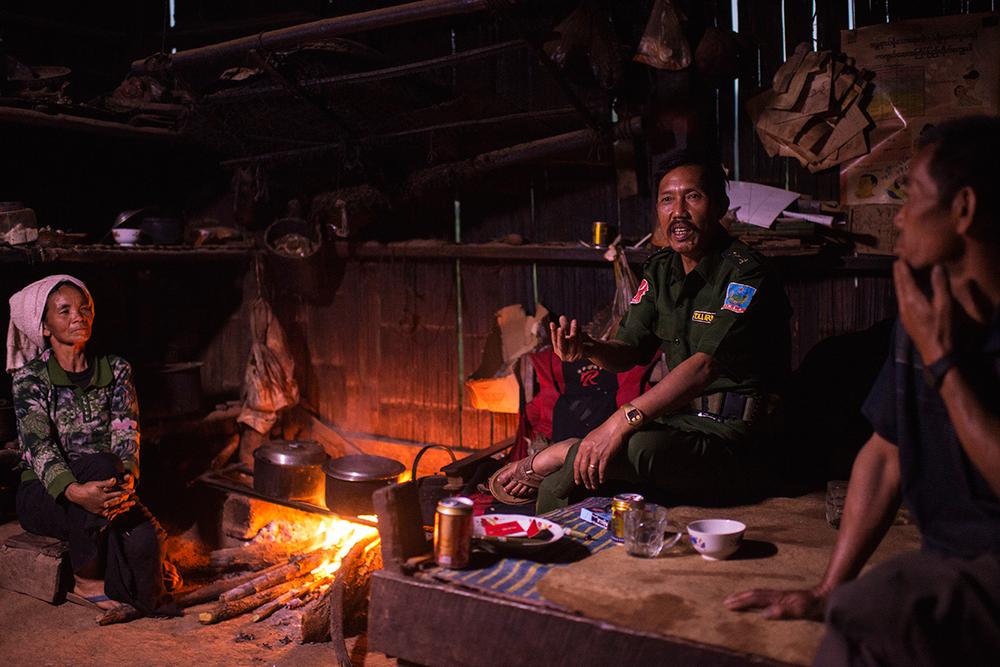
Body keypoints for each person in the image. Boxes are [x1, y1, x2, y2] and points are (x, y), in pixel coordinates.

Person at [725, 115, 1000, 666]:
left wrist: (943, 362)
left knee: (884, 602)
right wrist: (829, 589)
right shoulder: (922, 313)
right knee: (851, 625)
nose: (897, 217)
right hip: (946, 562)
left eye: (911, 196)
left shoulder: (939, 336)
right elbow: (885, 454)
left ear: (964, 209)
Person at [492, 147, 791, 513]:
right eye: (667, 200)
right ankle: (567, 458)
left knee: (599, 462)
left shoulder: (746, 273)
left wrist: (619, 422)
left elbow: (704, 366)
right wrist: (588, 348)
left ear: (720, 205)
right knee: (607, 453)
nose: (678, 212)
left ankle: (558, 468)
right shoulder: (662, 270)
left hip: (736, 440)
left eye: (692, 197)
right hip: (679, 423)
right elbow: (628, 351)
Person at [7, 274, 175, 620]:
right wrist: (74, 491)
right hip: (46, 496)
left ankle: (133, 580)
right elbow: (39, 446)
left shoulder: (116, 369)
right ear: (45, 327)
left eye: (84, 309)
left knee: (146, 554)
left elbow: (127, 433)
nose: (78, 317)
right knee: (101, 464)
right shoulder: (30, 378)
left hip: (107, 490)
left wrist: (126, 486)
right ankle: (86, 580)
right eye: (65, 310)